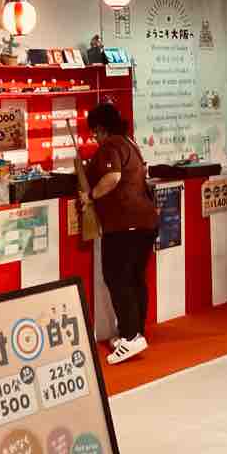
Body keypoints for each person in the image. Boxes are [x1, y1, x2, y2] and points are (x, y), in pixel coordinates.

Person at [81, 102, 159, 364]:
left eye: (94, 132)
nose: (94, 137)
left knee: (117, 278)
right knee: (134, 279)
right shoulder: (129, 142)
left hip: (124, 224)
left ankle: (130, 336)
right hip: (145, 222)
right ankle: (136, 332)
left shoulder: (110, 145)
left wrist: (91, 196)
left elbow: (112, 178)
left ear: (102, 128)